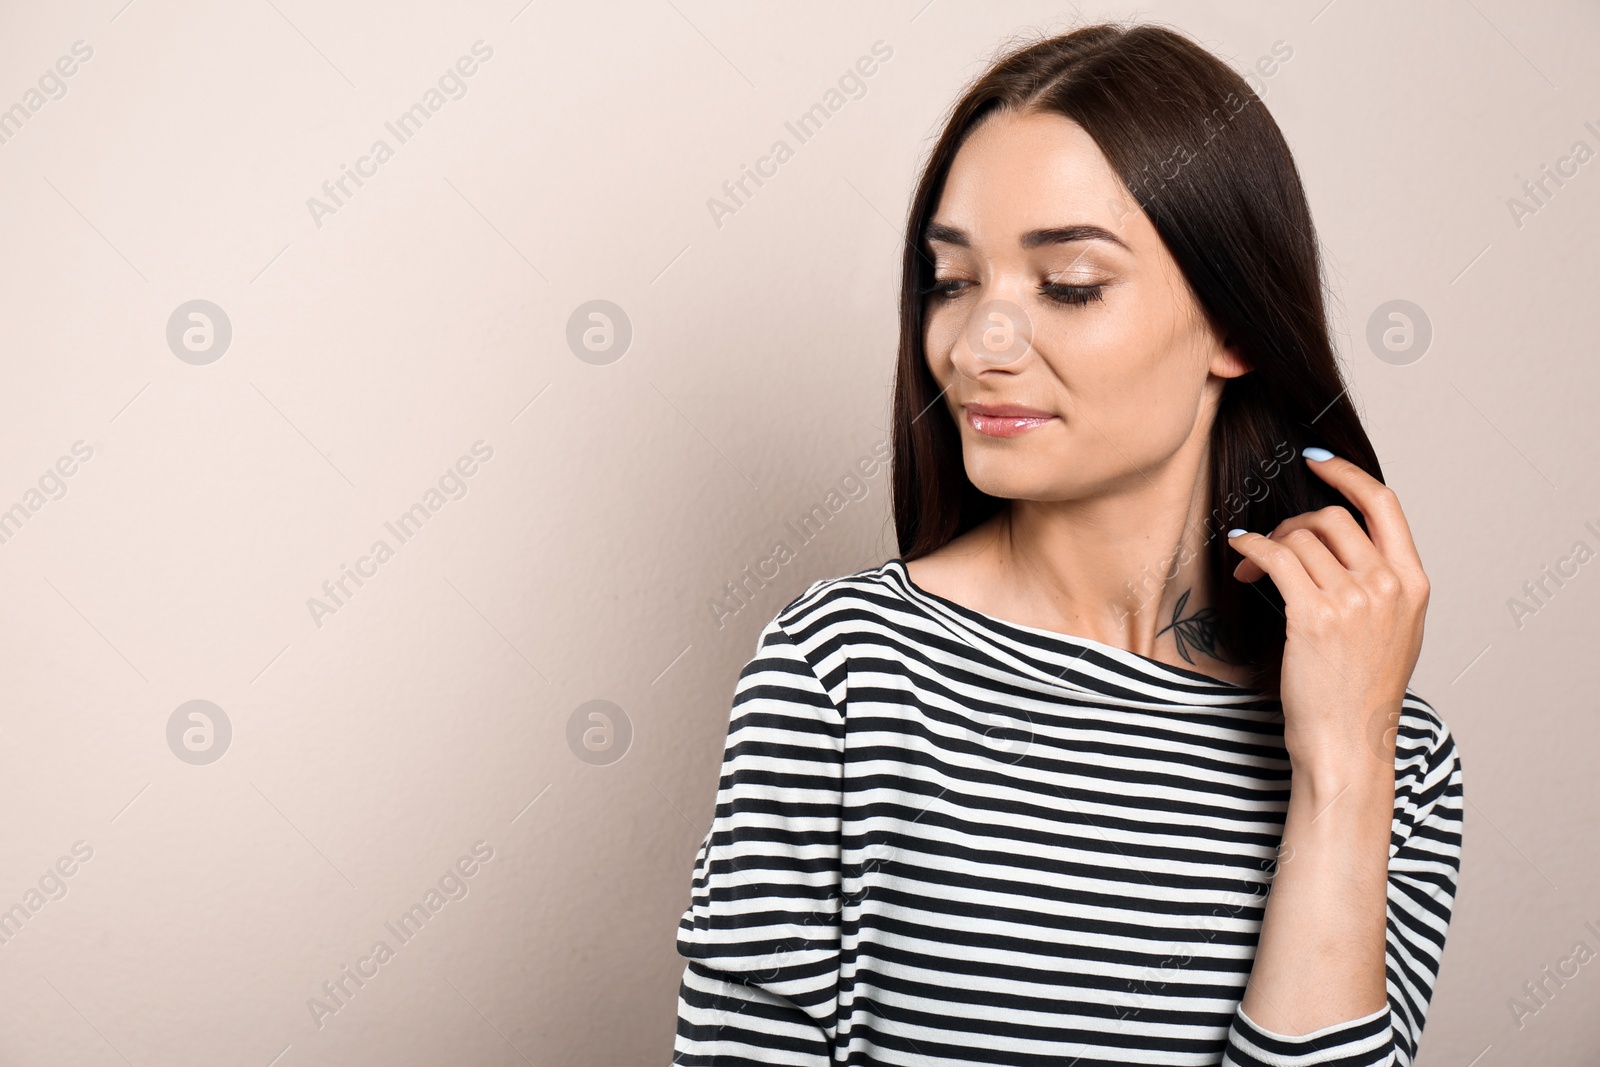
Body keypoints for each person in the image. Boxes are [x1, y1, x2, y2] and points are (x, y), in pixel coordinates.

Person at [673, 20, 1463, 1066]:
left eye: (1069, 285)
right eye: (952, 281)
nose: (978, 344)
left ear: (1234, 326)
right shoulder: (841, 677)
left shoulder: (1393, 752)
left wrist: (1343, 771)